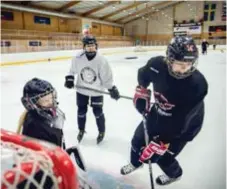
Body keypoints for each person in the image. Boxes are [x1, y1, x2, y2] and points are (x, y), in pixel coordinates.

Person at [120, 36, 208, 186]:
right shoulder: (156, 65)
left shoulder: (197, 86)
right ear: (169, 60)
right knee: (137, 140)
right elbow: (143, 74)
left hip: (184, 126)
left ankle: (175, 174)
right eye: (180, 64)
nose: (185, 70)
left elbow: (181, 121)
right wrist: (142, 90)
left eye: (189, 64)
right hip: (158, 112)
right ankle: (136, 163)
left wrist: (162, 143)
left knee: (162, 157)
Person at [64, 35, 120, 144]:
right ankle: (81, 129)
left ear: (96, 46)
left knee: (98, 112)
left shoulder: (101, 60)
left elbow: (106, 77)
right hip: (82, 90)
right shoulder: (78, 57)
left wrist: (111, 88)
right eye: (88, 46)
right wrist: (69, 79)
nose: (91, 48)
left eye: (93, 46)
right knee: (81, 111)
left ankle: (101, 131)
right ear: (84, 47)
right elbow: (71, 71)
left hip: (96, 91)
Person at [21, 78, 65, 147]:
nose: (51, 102)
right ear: (32, 104)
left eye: (51, 98)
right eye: (45, 100)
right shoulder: (35, 127)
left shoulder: (46, 114)